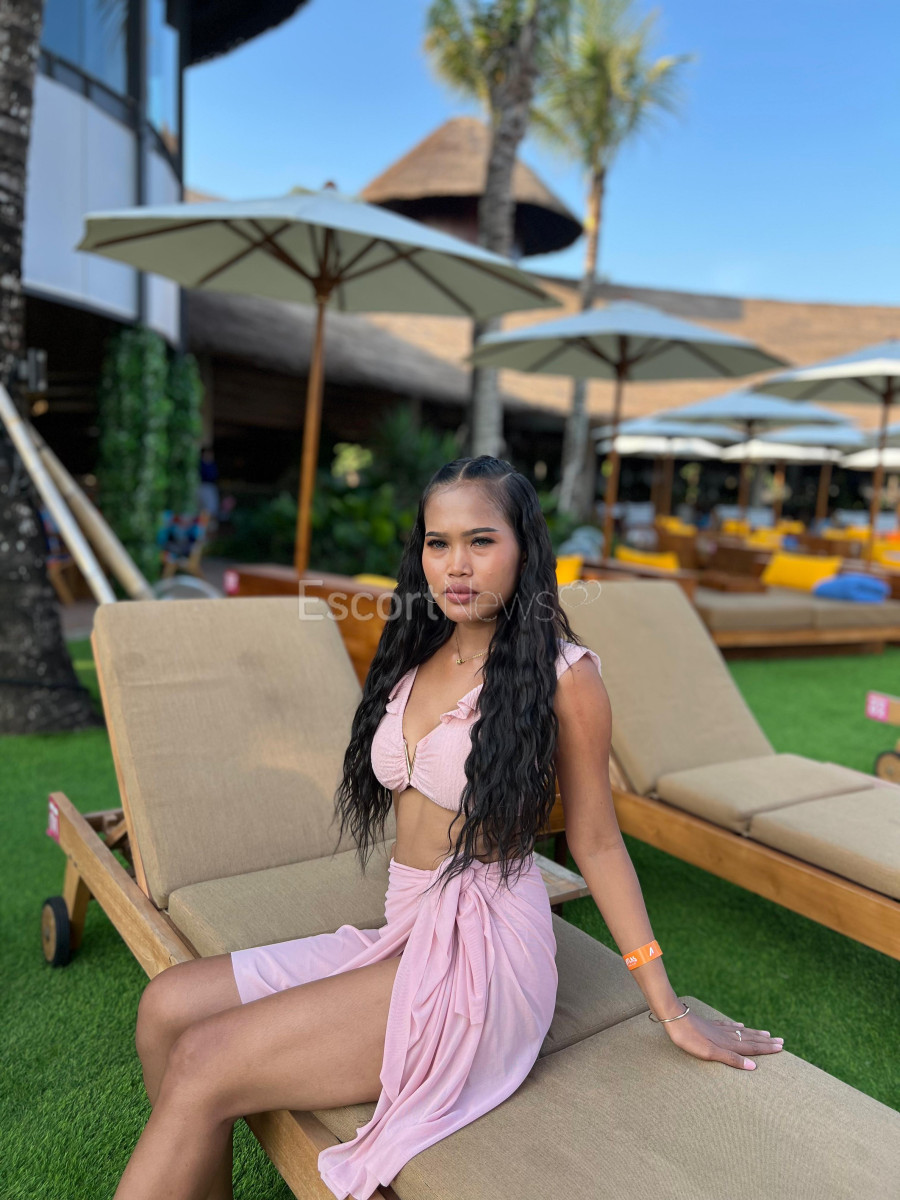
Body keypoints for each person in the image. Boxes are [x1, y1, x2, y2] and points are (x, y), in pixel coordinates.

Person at [115, 456, 785, 1200]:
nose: (456, 565)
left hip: (484, 955)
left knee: (205, 1057)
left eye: (481, 541)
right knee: (167, 1007)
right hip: (406, 926)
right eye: (438, 543)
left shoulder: (565, 675)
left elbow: (596, 841)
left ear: (525, 548)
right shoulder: (414, 652)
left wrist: (669, 1006)